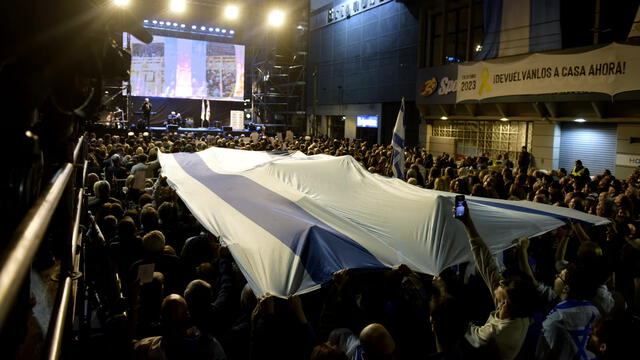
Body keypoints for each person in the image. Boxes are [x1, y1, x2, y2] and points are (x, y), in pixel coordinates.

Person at [454, 201, 540, 360]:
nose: (501, 282)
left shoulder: (494, 333)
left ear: (506, 302)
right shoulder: (520, 309)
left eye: (505, 284)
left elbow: (467, 335)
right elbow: (487, 263)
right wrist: (467, 222)